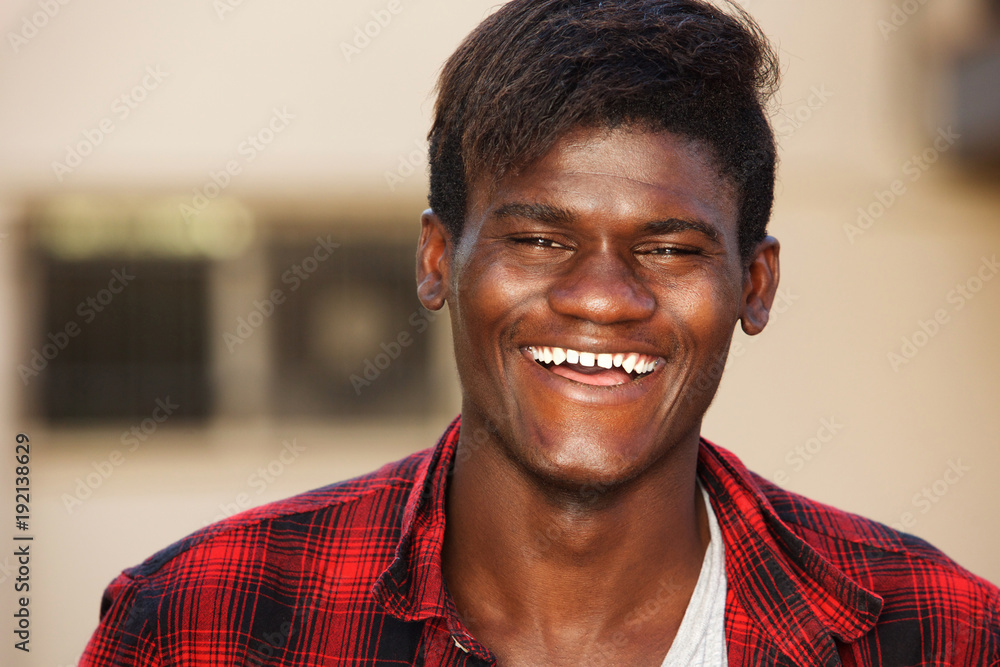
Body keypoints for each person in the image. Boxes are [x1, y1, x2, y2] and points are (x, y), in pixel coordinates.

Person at [81, 1, 1000, 665]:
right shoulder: (204, 623)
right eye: (539, 238)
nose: (602, 297)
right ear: (437, 261)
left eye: (669, 248)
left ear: (753, 286)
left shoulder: (937, 634)